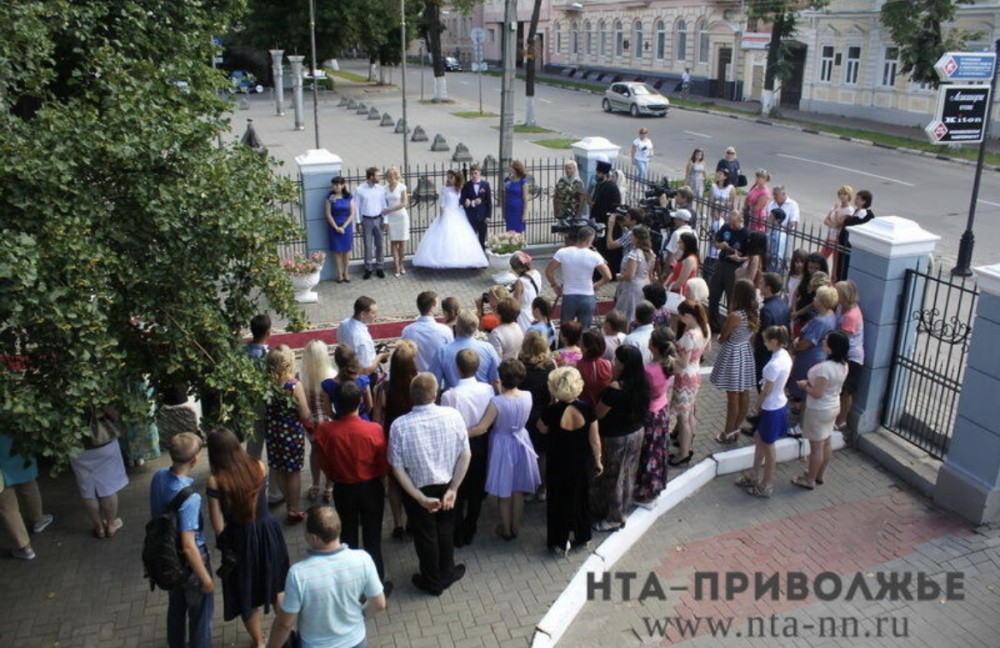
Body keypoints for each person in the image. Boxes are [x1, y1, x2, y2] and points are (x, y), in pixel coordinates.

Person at [388, 373, 472, 596]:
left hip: (418, 487)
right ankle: (447, 570)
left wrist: (418, 497)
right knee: (445, 528)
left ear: (411, 396)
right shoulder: (453, 416)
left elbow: (396, 468)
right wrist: (453, 488)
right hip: (447, 483)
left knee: (425, 534)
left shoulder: (399, 426)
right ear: (435, 394)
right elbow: (465, 454)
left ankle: (431, 579)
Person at [205, 429, 289, 646]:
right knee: (277, 584)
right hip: (268, 531)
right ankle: (284, 633)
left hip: (240, 538)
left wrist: (226, 544)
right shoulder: (259, 466)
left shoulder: (215, 481)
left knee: (246, 592)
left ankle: (259, 641)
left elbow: (217, 523)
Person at [266, 506, 386, 648]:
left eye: (305, 531)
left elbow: (284, 624)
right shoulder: (363, 559)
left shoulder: (298, 574)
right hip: (356, 641)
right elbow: (379, 604)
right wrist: (360, 617)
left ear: (313, 538)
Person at [314, 382, 392, 592]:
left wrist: (334, 477)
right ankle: (378, 585)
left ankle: (353, 586)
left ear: (335, 404)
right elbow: (383, 462)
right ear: (359, 401)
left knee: (348, 538)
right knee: (373, 539)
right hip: (371, 489)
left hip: (343, 489)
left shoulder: (326, 431)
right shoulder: (374, 429)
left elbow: (324, 463)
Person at [150, 433, 214, 648]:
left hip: (165, 556)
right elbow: (188, 545)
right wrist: (205, 578)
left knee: (176, 607)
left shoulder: (158, 476)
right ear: (195, 459)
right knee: (200, 616)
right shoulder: (190, 498)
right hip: (189, 563)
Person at [469, 359, 540, 540]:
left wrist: (462, 433)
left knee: (504, 489)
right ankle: (515, 527)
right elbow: (513, 403)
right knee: (517, 489)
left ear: (501, 377)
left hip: (502, 445)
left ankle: (505, 529)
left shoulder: (496, 402)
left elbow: (482, 427)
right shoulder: (527, 396)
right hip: (522, 441)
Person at [537, 367, 602, 554]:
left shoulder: (551, 411)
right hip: (582, 461)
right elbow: (595, 439)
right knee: (581, 498)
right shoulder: (588, 407)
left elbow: (542, 429)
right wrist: (598, 461)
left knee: (558, 500)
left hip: (558, 461)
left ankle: (560, 539)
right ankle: (582, 535)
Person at [441, 349, 496, 547]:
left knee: (458, 487)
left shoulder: (450, 395)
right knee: (476, 490)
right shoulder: (488, 389)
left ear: (457, 368)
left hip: (459, 445)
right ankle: (470, 528)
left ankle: (458, 533)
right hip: (481, 441)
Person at [592, 345, 650, 532]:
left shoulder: (615, 389)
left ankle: (614, 517)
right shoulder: (642, 383)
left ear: (624, 365)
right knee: (628, 473)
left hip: (616, 438)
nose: (613, 363)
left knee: (613, 476)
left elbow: (599, 414)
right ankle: (621, 508)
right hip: (636, 433)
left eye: (617, 360)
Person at [736, 326, 792, 498]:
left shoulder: (773, 365)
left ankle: (766, 484)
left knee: (768, 446)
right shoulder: (784, 356)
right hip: (778, 404)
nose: (764, 343)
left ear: (774, 341)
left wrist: (756, 407)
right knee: (760, 438)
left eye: (766, 340)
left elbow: (766, 390)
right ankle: (754, 474)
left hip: (771, 408)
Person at [371, 340, 418, 539]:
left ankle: (397, 523)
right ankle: (412, 521)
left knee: (394, 483)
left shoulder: (384, 388)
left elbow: (376, 418)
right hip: (413, 436)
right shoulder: (417, 384)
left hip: (392, 436)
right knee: (413, 479)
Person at [792, 331, 849, 489]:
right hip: (833, 406)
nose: (823, 342)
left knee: (816, 446)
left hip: (819, 409)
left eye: (826, 342)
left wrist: (805, 385)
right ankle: (819, 475)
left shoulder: (825, 368)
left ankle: (809, 479)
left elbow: (817, 393)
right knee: (826, 441)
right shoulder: (844, 365)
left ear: (832, 348)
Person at [265, 345, 312, 523]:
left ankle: (287, 502)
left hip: (273, 432)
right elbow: (304, 413)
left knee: (279, 469)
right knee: (293, 472)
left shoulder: (265, 384)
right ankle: (293, 508)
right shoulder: (293, 385)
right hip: (291, 433)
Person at [710, 279, 759, 444]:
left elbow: (723, 336)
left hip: (732, 354)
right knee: (744, 393)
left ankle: (728, 432)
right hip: (745, 352)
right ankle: (736, 428)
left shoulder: (735, 316)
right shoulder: (753, 313)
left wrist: (720, 337)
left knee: (732, 397)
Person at [71, 404, 128, 538]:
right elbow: (113, 414)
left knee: (87, 489)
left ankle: (99, 527)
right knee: (108, 488)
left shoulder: (59, 393)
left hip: (77, 446)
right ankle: (111, 525)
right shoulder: (96, 391)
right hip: (104, 442)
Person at [413, 169, 489, 269]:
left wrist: (469, 201)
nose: (448, 179)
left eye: (451, 177)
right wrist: (442, 217)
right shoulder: (445, 189)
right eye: (448, 177)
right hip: (448, 214)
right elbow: (442, 205)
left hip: (459, 214)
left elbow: (464, 201)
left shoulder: (462, 189)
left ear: (456, 178)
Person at [635, 327, 675, 503]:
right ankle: (654, 484)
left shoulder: (649, 371)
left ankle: (647, 488)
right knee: (658, 450)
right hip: (662, 409)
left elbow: (642, 394)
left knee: (649, 452)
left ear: (656, 347)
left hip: (650, 414)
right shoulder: (670, 362)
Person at [545, 226, 612, 330]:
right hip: (587, 296)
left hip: (569, 295)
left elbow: (549, 271)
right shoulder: (594, 255)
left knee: (565, 330)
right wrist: (596, 285)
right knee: (584, 331)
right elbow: (608, 276)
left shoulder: (563, 252)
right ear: (589, 240)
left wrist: (554, 285)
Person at [0, 433, 54, 560]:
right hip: (15, 447)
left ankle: (25, 548)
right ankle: (38, 519)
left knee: (7, 506)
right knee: (28, 483)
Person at [669, 300, 710, 465]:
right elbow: (707, 350)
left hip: (685, 376)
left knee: (683, 417)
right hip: (696, 373)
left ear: (688, 316)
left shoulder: (689, 336)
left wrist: (671, 353)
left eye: (681, 316)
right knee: (690, 412)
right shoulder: (704, 328)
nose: (679, 319)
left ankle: (684, 453)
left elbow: (682, 363)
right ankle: (688, 446)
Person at [431, 309, 502, 391]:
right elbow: (496, 380)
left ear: (456, 328)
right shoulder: (488, 348)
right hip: (484, 399)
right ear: (476, 330)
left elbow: (435, 384)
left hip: (453, 400)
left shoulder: (442, 352)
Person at [300, 339, 334, 503]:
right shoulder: (331, 374)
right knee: (330, 453)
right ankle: (328, 487)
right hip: (328, 421)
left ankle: (315, 484)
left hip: (312, 423)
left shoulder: (303, 377)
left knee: (315, 451)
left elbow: (304, 402)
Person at [708, 208, 750, 333]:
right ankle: (714, 324)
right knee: (714, 295)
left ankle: (730, 328)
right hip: (721, 263)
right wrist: (720, 245)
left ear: (740, 220)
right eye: (730, 223)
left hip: (734, 268)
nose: (731, 226)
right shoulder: (726, 227)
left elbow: (749, 256)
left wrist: (739, 258)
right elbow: (715, 242)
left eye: (734, 223)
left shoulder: (746, 234)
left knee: (731, 299)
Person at [753, 273, 791, 391]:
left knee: (762, 383)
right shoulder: (782, 303)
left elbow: (763, 334)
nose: (759, 286)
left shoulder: (767, 310)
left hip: (765, 353)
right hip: (778, 348)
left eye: (761, 283)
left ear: (768, 288)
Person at [835, 281, 864, 430]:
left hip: (852, 357)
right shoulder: (841, 307)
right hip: (845, 355)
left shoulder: (851, 316)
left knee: (846, 391)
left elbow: (842, 339)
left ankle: (842, 420)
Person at [402, 290, 455, 372]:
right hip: (438, 378)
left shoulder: (407, 331)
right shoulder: (445, 331)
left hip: (416, 377)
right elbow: (451, 356)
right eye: (437, 304)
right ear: (432, 308)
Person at [337, 296, 390, 376]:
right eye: (373, 313)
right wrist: (381, 355)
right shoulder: (362, 338)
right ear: (362, 314)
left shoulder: (344, 323)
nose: (376, 315)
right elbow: (367, 370)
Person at [614, 225, 656, 323]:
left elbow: (630, 276)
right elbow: (650, 273)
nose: (630, 238)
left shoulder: (635, 254)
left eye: (632, 236)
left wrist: (619, 276)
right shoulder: (650, 252)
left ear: (637, 238)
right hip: (645, 283)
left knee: (626, 314)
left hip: (632, 287)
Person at [355, 166, 388, 280]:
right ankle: (368, 268)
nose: (379, 177)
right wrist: (358, 222)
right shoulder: (360, 190)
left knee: (380, 244)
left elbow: (384, 205)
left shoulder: (381, 189)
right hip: (366, 220)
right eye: (377, 175)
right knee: (368, 245)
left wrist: (386, 220)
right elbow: (356, 207)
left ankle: (380, 267)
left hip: (378, 219)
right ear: (371, 177)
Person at [590, 161, 622, 270]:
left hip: (607, 223)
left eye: (599, 173)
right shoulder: (600, 185)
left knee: (605, 250)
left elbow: (614, 207)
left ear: (604, 174)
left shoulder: (612, 187)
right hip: (598, 222)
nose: (597, 175)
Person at [837, 189, 875, 280]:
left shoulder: (865, 215)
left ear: (864, 201)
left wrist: (846, 219)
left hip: (850, 247)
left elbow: (851, 225)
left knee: (845, 269)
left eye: (858, 198)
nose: (855, 200)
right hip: (845, 245)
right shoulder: (857, 211)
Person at [324, 176, 355, 283]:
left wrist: (344, 227)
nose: (335, 187)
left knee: (346, 251)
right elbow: (328, 214)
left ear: (342, 185)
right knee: (337, 251)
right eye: (333, 184)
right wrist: (336, 227)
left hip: (346, 226)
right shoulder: (330, 197)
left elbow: (352, 214)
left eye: (337, 184)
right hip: (334, 227)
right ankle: (339, 274)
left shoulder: (349, 197)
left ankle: (346, 273)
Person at [822, 185, 854, 280]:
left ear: (849, 196)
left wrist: (836, 211)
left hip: (838, 240)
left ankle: (833, 283)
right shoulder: (835, 206)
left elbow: (839, 223)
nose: (842, 196)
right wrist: (833, 225)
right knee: (821, 258)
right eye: (840, 193)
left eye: (845, 194)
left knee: (835, 266)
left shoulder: (849, 211)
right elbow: (826, 220)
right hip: (830, 237)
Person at [383, 166, 410, 277]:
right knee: (393, 242)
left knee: (402, 242)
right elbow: (383, 202)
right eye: (388, 177)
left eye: (392, 176)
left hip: (401, 217)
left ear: (396, 176)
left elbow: (404, 203)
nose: (390, 179)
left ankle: (402, 264)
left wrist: (390, 210)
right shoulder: (384, 188)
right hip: (391, 218)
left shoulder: (402, 187)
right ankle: (396, 266)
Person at [460, 162, 492, 249]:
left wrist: (488, 216)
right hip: (471, 216)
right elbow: (462, 200)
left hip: (482, 216)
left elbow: (489, 202)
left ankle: (482, 256)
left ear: (479, 173)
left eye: (475, 173)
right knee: (471, 238)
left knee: (482, 238)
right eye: (471, 174)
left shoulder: (485, 185)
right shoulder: (467, 185)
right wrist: (468, 202)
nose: (473, 175)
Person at [577, 329, 612, 406]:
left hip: (583, 407)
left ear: (586, 348)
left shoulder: (578, 366)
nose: (579, 344)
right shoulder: (608, 364)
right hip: (601, 405)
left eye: (581, 342)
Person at [510, 251, 543, 331]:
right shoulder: (536, 273)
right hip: (533, 310)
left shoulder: (520, 282)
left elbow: (515, 305)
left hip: (523, 316)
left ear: (516, 268)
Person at [664, 232, 700, 299]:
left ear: (686, 244)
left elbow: (681, 281)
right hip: (673, 289)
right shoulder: (684, 256)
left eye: (680, 242)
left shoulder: (690, 259)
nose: (678, 243)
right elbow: (674, 273)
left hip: (679, 293)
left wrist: (669, 287)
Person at [503, 160, 531, 234]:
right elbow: (505, 195)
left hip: (518, 210)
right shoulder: (507, 180)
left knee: (518, 233)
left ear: (516, 169)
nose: (509, 168)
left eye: (511, 166)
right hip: (509, 209)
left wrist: (524, 214)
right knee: (509, 232)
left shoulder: (523, 181)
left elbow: (525, 199)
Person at [766, 207, 789, 274]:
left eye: (771, 216)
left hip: (774, 265)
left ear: (777, 220)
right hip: (769, 261)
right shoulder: (772, 230)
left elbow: (779, 253)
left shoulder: (780, 234)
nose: (769, 218)